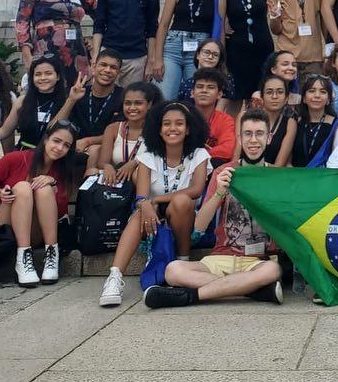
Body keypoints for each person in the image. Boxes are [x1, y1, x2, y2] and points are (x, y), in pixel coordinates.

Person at [142, 110, 283, 308]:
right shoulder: (223, 172)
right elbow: (199, 227)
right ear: (239, 138)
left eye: (259, 133)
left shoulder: (279, 177)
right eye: (248, 134)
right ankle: (252, 291)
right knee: (173, 270)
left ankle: (188, 297)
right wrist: (219, 192)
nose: (253, 140)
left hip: (258, 260)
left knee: (272, 271)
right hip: (221, 257)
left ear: (268, 138)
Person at [99, 101, 211, 306]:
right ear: (159, 130)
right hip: (152, 221)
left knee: (182, 201)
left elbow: (196, 190)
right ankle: (114, 277)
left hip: (186, 223)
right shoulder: (148, 156)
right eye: (166, 124)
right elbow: (141, 197)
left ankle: (183, 263)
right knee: (139, 214)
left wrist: (155, 200)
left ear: (188, 129)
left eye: (179, 123)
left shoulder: (199, 154)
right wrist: (146, 204)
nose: (172, 128)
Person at [0, 121, 82, 287]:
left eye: (66, 145)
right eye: (56, 141)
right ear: (46, 139)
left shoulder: (63, 171)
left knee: (45, 188)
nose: (59, 148)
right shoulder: (15, 158)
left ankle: (51, 255)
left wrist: (53, 183)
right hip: (6, 228)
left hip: (36, 231)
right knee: (23, 187)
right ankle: (23, 258)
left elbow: (60, 212)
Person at [151, 0, 227, 100]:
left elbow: (220, 30)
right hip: (172, 49)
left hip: (201, 51)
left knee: (195, 97)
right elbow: (163, 26)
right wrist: (157, 58)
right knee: (164, 96)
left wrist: (220, 59)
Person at [15, 0, 96, 85]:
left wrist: (94, 41)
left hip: (77, 51)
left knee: (79, 91)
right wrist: (26, 52)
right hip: (46, 48)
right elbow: (22, 21)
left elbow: (102, 15)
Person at [91, 0, 160, 85]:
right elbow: (99, 25)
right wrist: (95, 56)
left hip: (137, 58)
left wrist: (150, 61)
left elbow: (152, 30)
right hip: (108, 55)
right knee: (104, 99)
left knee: (131, 102)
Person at [223, 0, 276, 115]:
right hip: (236, 51)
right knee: (234, 96)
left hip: (262, 48)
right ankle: (230, 135)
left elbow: (274, 13)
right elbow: (219, 17)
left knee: (260, 95)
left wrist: (275, 14)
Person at [55, 50, 126, 164]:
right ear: (93, 66)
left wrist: (88, 141)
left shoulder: (124, 97)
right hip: (74, 148)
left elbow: (123, 132)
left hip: (106, 150)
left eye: (113, 67)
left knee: (94, 150)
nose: (107, 70)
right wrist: (71, 99)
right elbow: (54, 127)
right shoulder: (78, 92)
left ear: (119, 72)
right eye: (103, 65)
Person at [90, 80, 161, 184]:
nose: (132, 108)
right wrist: (108, 167)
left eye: (138, 103)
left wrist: (136, 162)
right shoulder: (112, 129)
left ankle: (141, 200)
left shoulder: (157, 129)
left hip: (145, 181)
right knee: (91, 171)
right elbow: (102, 162)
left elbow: (158, 157)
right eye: (127, 103)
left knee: (138, 173)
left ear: (149, 104)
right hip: (117, 182)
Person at [0, 53, 67, 150]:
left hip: (54, 155)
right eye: (38, 74)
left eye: (48, 73)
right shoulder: (22, 101)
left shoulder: (67, 102)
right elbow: (4, 131)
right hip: (24, 154)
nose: (43, 78)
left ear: (58, 76)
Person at [186, 70, 236, 167]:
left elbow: (227, 150)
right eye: (200, 86)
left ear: (219, 94)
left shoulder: (225, 120)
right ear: (192, 93)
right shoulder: (183, 116)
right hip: (184, 166)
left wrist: (199, 153)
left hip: (211, 166)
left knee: (218, 163)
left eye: (210, 87)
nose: (204, 90)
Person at [288, 74, 336, 168]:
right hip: (296, 178)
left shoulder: (336, 125)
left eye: (323, 92)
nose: (317, 95)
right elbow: (288, 161)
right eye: (311, 91)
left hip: (323, 178)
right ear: (304, 98)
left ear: (328, 99)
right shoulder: (294, 122)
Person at [252, 74, 297, 167]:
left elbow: (279, 165)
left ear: (286, 98)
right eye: (269, 92)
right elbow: (236, 157)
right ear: (262, 96)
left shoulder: (290, 123)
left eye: (280, 92)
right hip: (245, 171)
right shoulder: (245, 117)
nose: (274, 96)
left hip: (273, 176)